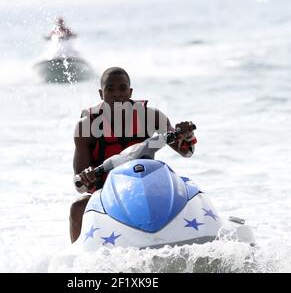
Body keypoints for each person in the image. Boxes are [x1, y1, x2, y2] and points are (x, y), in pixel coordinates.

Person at [69, 67, 197, 243]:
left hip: (145, 189)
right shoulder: (86, 126)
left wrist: (186, 135)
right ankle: (77, 261)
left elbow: (186, 151)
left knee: (188, 188)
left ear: (130, 92)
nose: (117, 94)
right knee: (77, 207)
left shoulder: (151, 116)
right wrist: (86, 175)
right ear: (101, 93)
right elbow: (79, 185)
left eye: (122, 89)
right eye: (110, 89)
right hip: (106, 193)